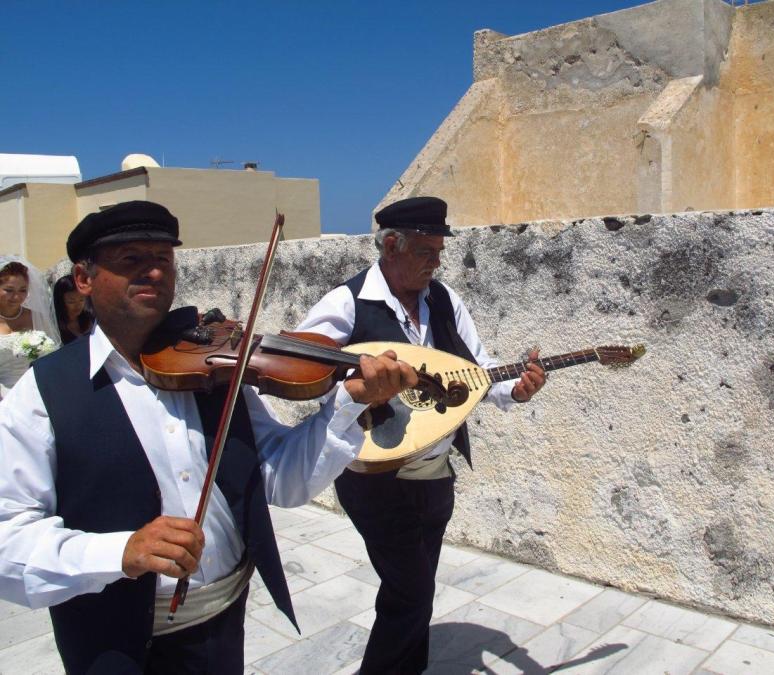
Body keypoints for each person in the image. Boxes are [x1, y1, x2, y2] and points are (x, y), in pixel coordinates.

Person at [0, 200, 417, 674]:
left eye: (163, 259)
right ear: (84, 279)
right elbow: (8, 538)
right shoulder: (44, 390)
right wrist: (121, 551)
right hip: (113, 641)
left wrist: (350, 402)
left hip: (222, 625)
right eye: (132, 260)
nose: (154, 273)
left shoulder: (218, 372)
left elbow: (281, 479)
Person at [296, 196, 546, 674]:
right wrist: (357, 385)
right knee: (410, 593)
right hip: (375, 477)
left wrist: (516, 389)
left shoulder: (446, 300)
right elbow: (307, 368)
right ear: (391, 245)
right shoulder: (347, 302)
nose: (436, 262)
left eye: (439, 252)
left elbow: (478, 371)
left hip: (435, 473)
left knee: (414, 589)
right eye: (425, 252)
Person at [0, 256, 59, 397]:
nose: (16, 297)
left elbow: (53, 353)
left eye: (22, 290)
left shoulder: (36, 317)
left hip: (36, 389)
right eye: (9, 290)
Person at [53, 273, 95, 344]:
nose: (78, 305)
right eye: (71, 302)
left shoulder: (91, 318)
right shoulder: (55, 327)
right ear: (61, 302)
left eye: (81, 300)